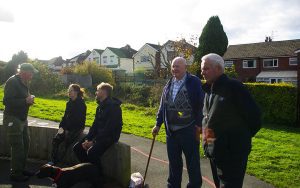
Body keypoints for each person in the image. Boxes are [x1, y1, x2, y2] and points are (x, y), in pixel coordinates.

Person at [200, 53, 261, 188]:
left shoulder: (234, 87)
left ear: (218, 68)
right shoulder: (208, 90)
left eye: (206, 68)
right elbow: (208, 121)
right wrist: (207, 145)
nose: (202, 72)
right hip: (215, 153)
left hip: (232, 155)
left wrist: (235, 142)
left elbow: (255, 117)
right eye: (202, 69)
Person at [152, 57, 204, 188]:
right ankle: (173, 185)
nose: (174, 69)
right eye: (173, 66)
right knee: (174, 163)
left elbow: (201, 105)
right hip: (171, 132)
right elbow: (162, 107)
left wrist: (199, 125)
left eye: (177, 66)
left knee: (193, 163)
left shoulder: (194, 82)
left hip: (190, 130)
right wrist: (158, 124)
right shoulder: (168, 84)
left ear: (185, 67)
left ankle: (194, 185)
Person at [2, 63, 38, 182]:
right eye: (31, 73)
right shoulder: (12, 82)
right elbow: (6, 101)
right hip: (13, 119)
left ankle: (21, 169)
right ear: (24, 72)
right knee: (18, 147)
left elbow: (23, 98)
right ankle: (15, 174)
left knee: (26, 144)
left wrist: (29, 100)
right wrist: (25, 101)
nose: (32, 75)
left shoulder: (24, 82)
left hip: (22, 119)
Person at [73, 82, 122, 165]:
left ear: (104, 92)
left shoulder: (114, 107)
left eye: (98, 90)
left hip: (110, 137)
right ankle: (88, 169)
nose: (96, 92)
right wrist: (87, 139)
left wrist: (94, 142)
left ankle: (98, 176)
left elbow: (109, 129)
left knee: (92, 152)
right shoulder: (100, 107)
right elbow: (95, 125)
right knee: (77, 148)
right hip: (99, 136)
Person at [50, 84, 86, 165]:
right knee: (55, 140)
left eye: (71, 91)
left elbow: (78, 121)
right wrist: (61, 127)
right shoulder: (69, 103)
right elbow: (65, 117)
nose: (69, 92)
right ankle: (53, 162)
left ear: (76, 92)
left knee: (64, 144)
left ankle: (59, 164)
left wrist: (67, 130)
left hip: (76, 128)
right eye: (68, 91)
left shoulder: (81, 104)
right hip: (66, 128)